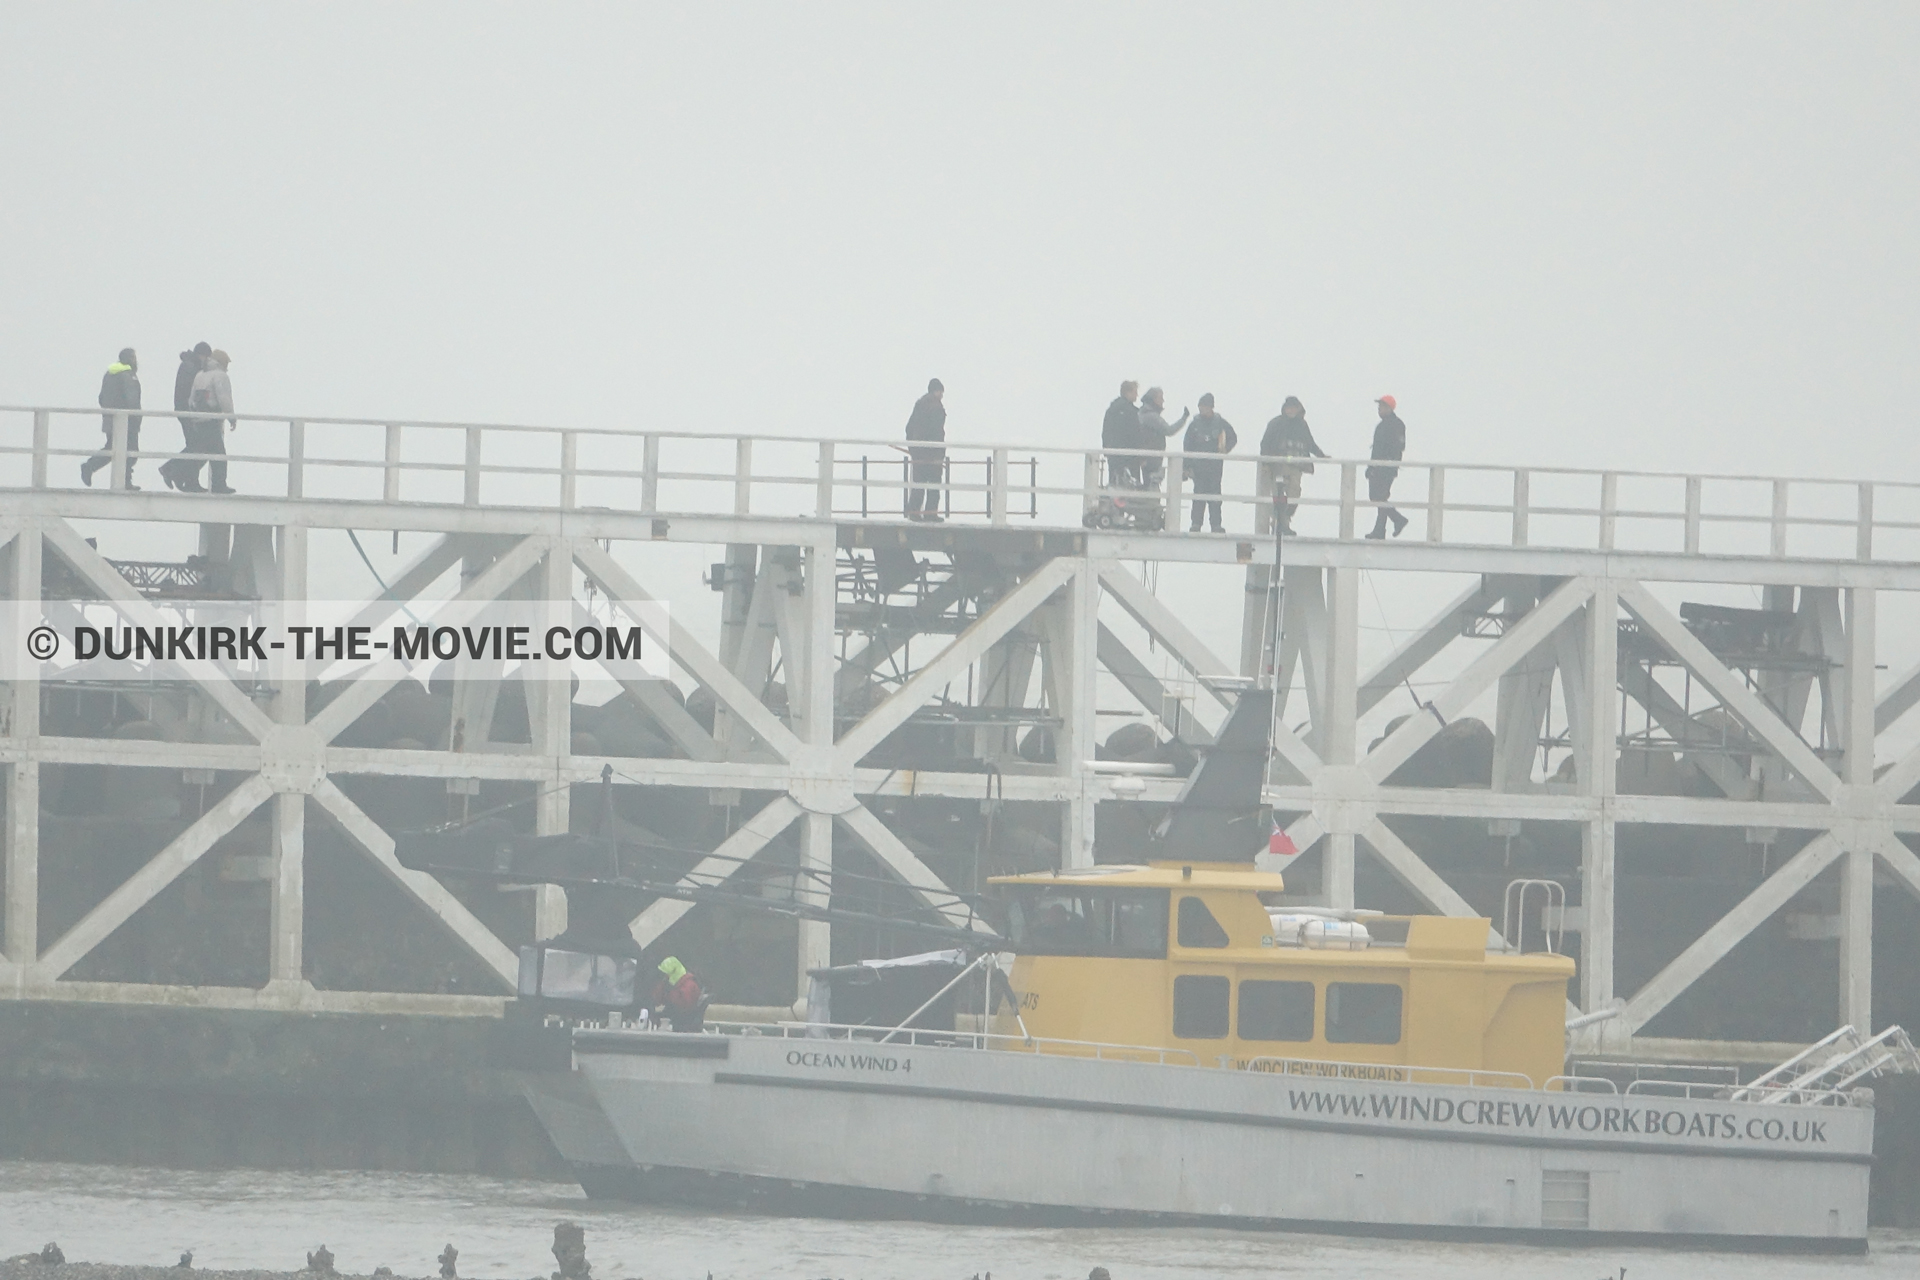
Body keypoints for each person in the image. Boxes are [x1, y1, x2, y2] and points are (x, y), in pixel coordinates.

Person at [1259, 396, 1326, 535]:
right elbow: (1265, 444)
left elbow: (1310, 443)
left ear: (1298, 409)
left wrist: (1321, 455)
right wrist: (1265, 464)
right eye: (1288, 408)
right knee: (1279, 495)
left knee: (1294, 494)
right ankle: (1280, 524)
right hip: (1277, 466)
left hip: (1296, 466)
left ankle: (1284, 520)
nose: (1291, 410)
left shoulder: (1302, 425)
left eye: (1294, 408)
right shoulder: (1275, 423)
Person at [176, 349, 236, 494]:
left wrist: (194, 416)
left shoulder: (200, 374)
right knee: (218, 455)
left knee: (199, 450)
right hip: (212, 418)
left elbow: (191, 398)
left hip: (199, 418)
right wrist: (231, 417)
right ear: (221, 362)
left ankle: (182, 476)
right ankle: (218, 485)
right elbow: (224, 399)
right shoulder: (220, 376)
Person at [81, 348, 142, 488]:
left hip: (110, 419)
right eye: (134, 357)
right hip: (127, 421)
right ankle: (125, 481)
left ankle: (90, 466)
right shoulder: (128, 375)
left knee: (112, 448)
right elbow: (132, 400)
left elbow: (101, 398)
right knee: (131, 451)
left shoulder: (110, 374)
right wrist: (136, 418)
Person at [1180, 393, 1236, 532]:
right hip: (1198, 466)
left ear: (1211, 407)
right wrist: (1186, 466)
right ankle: (1196, 524)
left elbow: (1233, 437)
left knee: (1215, 496)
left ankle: (1216, 524)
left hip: (1215, 466)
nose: (1202, 409)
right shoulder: (1194, 425)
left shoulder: (1220, 423)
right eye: (1200, 407)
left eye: (1205, 407)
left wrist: (1224, 450)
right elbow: (1187, 446)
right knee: (1198, 495)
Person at [1365, 394, 1408, 540]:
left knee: (1377, 497)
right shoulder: (1385, 425)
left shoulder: (1395, 425)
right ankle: (1381, 529)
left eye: (1382, 406)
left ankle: (1396, 520)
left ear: (1390, 408)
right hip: (1381, 466)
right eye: (1379, 407)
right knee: (1379, 497)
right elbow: (1377, 449)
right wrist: (1371, 466)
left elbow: (1397, 447)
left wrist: (1384, 463)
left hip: (1386, 467)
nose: (1379, 409)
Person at [903, 377, 946, 521]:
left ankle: (914, 513)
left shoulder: (919, 405)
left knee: (918, 484)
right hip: (932, 454)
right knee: (934, 485)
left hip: (919, 453)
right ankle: (930, 514)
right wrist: (940, 454)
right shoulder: (936, 407)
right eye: (941, 392)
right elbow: (937, 433)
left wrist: (913, 449)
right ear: (937, 391)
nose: (941, 395)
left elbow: (909, 428)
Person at [1134, 387, 1188, 489]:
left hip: (1146, 458)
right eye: (1161, 398)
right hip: (1152, 459)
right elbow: (1169, 430)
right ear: (1154, 399)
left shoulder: (1142, 414)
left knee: (1148, 486)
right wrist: (1184, 418)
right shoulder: (1151, 417)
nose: (1163, 400)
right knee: (1152, 486)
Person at [1101, 380, 1143, 488]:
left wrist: (1107, 448)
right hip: (1130, 455)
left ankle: (1114, 503)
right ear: (1127, 393)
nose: (1137, 395)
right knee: (1131, 486)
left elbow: (1106, 431)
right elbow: (1135, 435)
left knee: (1115, 483)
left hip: (1114, 454)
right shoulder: (1132, 412)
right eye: (1135, 392)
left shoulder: (1111, 410)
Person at [651, 955, 707, 1032]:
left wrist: (669, 994)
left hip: (682, 1023)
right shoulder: (669, 984)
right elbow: (657, 1000)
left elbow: (684, 1007)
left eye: (667, 975)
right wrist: (662, 986)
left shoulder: (689, 985)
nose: (665, 977)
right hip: (671, 1020)